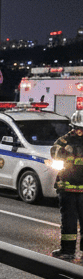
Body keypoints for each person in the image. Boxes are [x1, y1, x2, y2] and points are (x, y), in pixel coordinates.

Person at [51, 110, 83, 260]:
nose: (79, 131)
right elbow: (54, 151)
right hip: (68, 188)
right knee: (69, 222)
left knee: (72, 222)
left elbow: (56, 152)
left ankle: (69, 251)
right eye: (77, 128)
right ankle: (68, 251)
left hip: (71, 189)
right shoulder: (64, 142)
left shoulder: (65, 141)